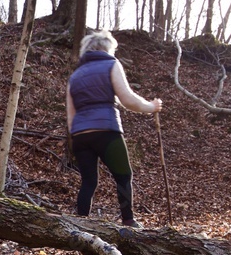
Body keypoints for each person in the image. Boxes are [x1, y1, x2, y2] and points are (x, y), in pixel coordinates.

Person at [66, 29, 162, 228]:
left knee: (88, 181)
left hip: (80, 136)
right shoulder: (111, 64)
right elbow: (128, 99)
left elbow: (70, 116)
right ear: (108, 48)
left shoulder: (74, 77)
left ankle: (80, 225)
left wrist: (77, 135)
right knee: (123, 175)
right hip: (106, 131)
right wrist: (150, 107)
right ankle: (128, 220)